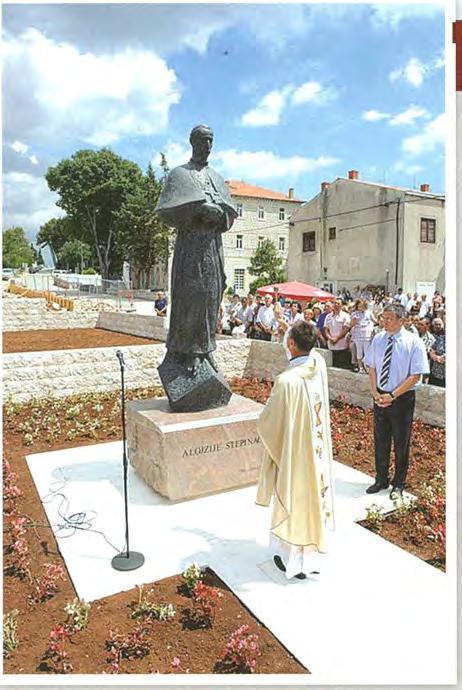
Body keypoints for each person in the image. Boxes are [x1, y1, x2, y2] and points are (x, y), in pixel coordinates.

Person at [155, 124, 238, 374]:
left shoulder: (217, 177)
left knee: (211, 297)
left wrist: (219, 215)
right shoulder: (179, 174)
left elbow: (229, 216)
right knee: (192, 297)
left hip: (212, 247)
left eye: (211, 140)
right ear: (193, 142)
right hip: (190, 247)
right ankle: (189, 352)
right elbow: (166, 211)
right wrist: (199, 210)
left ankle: (207, 350)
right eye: (203, 140)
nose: (208, 145)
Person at [256, 320, 335, 579]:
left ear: (291, 344)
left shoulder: (287, 381)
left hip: (296, 454)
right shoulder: (318, 366)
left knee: (295, 498)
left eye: (287, 340)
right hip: (317, 451)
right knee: (313, 498)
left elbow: (269, 424)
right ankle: (309, 556)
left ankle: (292, 560)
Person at [363, 304, 429, 500]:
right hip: (380, 396)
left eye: (389, 318)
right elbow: (372, 367)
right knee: (381, 439)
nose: (384, 321)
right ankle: (381, 478)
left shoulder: (413, 342)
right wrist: (374, 391)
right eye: (383, 317)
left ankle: (399, 483)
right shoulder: (378, 339)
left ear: (401, 321)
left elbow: (415, 375)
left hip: (401, 398)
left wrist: (392, 395)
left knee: (401, 442)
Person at [349, 298, 376, 373]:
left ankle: (366, 366)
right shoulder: (354, 314)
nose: (361, 308)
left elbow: (375, 320)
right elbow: (351, 325)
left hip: (367, 334)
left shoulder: (369, 312)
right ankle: (360, 367)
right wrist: (354, 321)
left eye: (362, 306)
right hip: (358, 334)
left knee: (367, 351)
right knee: (359, 351)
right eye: (359, 306)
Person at [325, 298, 351, 369]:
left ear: (342, 305)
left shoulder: (346, 316)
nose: (336, 305)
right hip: (331, 346)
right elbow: (326, 329)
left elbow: (345, 329)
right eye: (335, 303)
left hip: (341, 346)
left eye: (338, 303)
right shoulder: (328, 316)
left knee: (340, 369)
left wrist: (337, 338)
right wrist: (330, 338)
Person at [429, 318, 445, 387]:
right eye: (436, 325)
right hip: (435, 368)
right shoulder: (431, 336)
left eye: (439, 324)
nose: (438, 326)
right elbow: (431, 350)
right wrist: (436, 358)